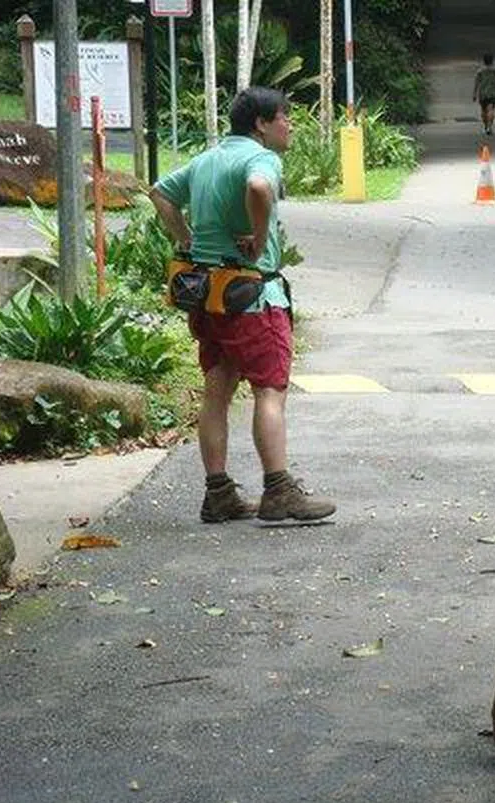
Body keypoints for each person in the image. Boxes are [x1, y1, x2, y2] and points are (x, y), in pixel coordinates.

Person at [149, 86, 336, 524]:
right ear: (261, 124)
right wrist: (257, 232)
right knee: (269, 391)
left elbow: (160, 193)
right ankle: (279, 490)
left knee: (217, 391)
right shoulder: (262, 159)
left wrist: (184, 238)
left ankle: (219, 494)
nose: (290, 125)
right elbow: (257, 187)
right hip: (253, 298)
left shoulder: (208, 158)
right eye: (284, 117)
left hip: (208, 297)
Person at [472, 53, 495, 135]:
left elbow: (476, 83)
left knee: (483, 111)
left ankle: (486, 126)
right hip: (492, 94)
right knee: (490, 110)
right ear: (492, 61)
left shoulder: (480, 71)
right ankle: (489, 127)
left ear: (484, 61)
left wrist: (474, 94)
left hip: (482, 94)